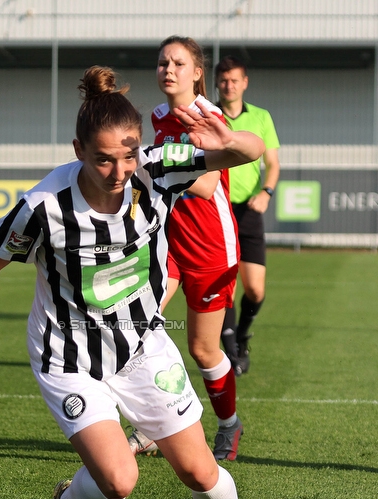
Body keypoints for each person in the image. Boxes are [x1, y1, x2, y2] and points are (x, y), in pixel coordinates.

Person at [0, 66, 275, 499]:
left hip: (141, 345)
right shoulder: (42, 206)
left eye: (128, 155)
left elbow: (248, 152)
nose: (119, 172)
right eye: (103, 159)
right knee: (118, 480)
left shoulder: (156, 169)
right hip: (68, 356)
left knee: (201, 471)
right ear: (78, 150)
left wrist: (231, 138)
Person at [135, 35, 245, 461]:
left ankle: (229, 424)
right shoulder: (158, 116)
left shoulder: (209, 117)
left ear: (197, 73)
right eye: (163, 62)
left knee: (202, 348)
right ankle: (154, 425)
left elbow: (208, 184)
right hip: (168, 245)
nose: (168, 69)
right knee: (140, 328)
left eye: (178, 63)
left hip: (210, 248)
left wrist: (157, 161)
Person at [214, 55, 280, 376]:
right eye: (224, 80)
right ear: (216, 82)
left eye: (234, 80)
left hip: (250, 211)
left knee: (255, 290)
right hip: (216, 211)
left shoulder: (262, 117)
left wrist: (266, 192)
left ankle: (243, 332)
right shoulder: (208, 115)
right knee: (223, 282)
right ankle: (230, 349)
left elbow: (273, 163)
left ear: (245, 83)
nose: (229, 85)